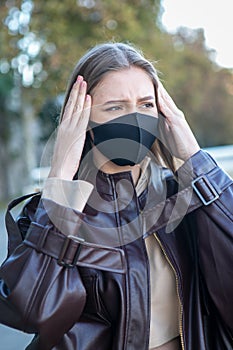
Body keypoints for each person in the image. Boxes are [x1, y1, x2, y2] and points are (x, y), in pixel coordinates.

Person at [0, 42, 233, 350]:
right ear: (83, 119)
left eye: (146, 104)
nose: (135, 119)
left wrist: (195, 161)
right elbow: (31, 311)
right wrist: (60, 181)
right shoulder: (49, 212)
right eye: (115, 107)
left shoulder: (184, 196)